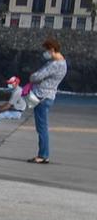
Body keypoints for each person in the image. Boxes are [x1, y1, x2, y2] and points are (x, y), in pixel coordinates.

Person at [29, 37, 68, 165]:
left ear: (52, 49)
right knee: (42, 127)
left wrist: (33, 76)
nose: (45, 53)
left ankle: (43, 155)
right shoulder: (63, 63)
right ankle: (43, 154)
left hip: (42, 96)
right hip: (49, 95)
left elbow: (36, 76)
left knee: (42, 128)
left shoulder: (55, 64)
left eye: (46, 50)